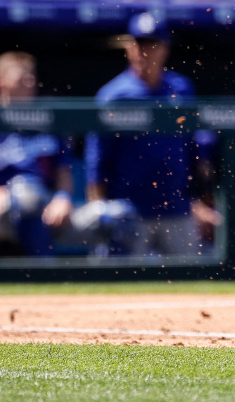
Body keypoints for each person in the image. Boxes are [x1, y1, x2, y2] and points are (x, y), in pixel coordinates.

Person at [80, 13, 216, 256]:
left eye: (152, 44)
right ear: (129, 48)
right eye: (139, 44)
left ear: (164, 48)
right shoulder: (113, 95)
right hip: (129, 213)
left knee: (190, 286)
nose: (145, 52)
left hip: (178, 210)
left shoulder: (181, 89)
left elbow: (195, 152)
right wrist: (100, 208)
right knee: (121, 287)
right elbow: (97, 161)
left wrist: (201, 203)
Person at [0, 52, 73, 256]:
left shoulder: (48, 122)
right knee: (23, 198)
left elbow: (64, 174)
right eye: (21, 79)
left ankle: (40, 275)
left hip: (46, 202)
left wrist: (62, 198)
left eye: (32, 78)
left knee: (116, 218)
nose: (30, 84)